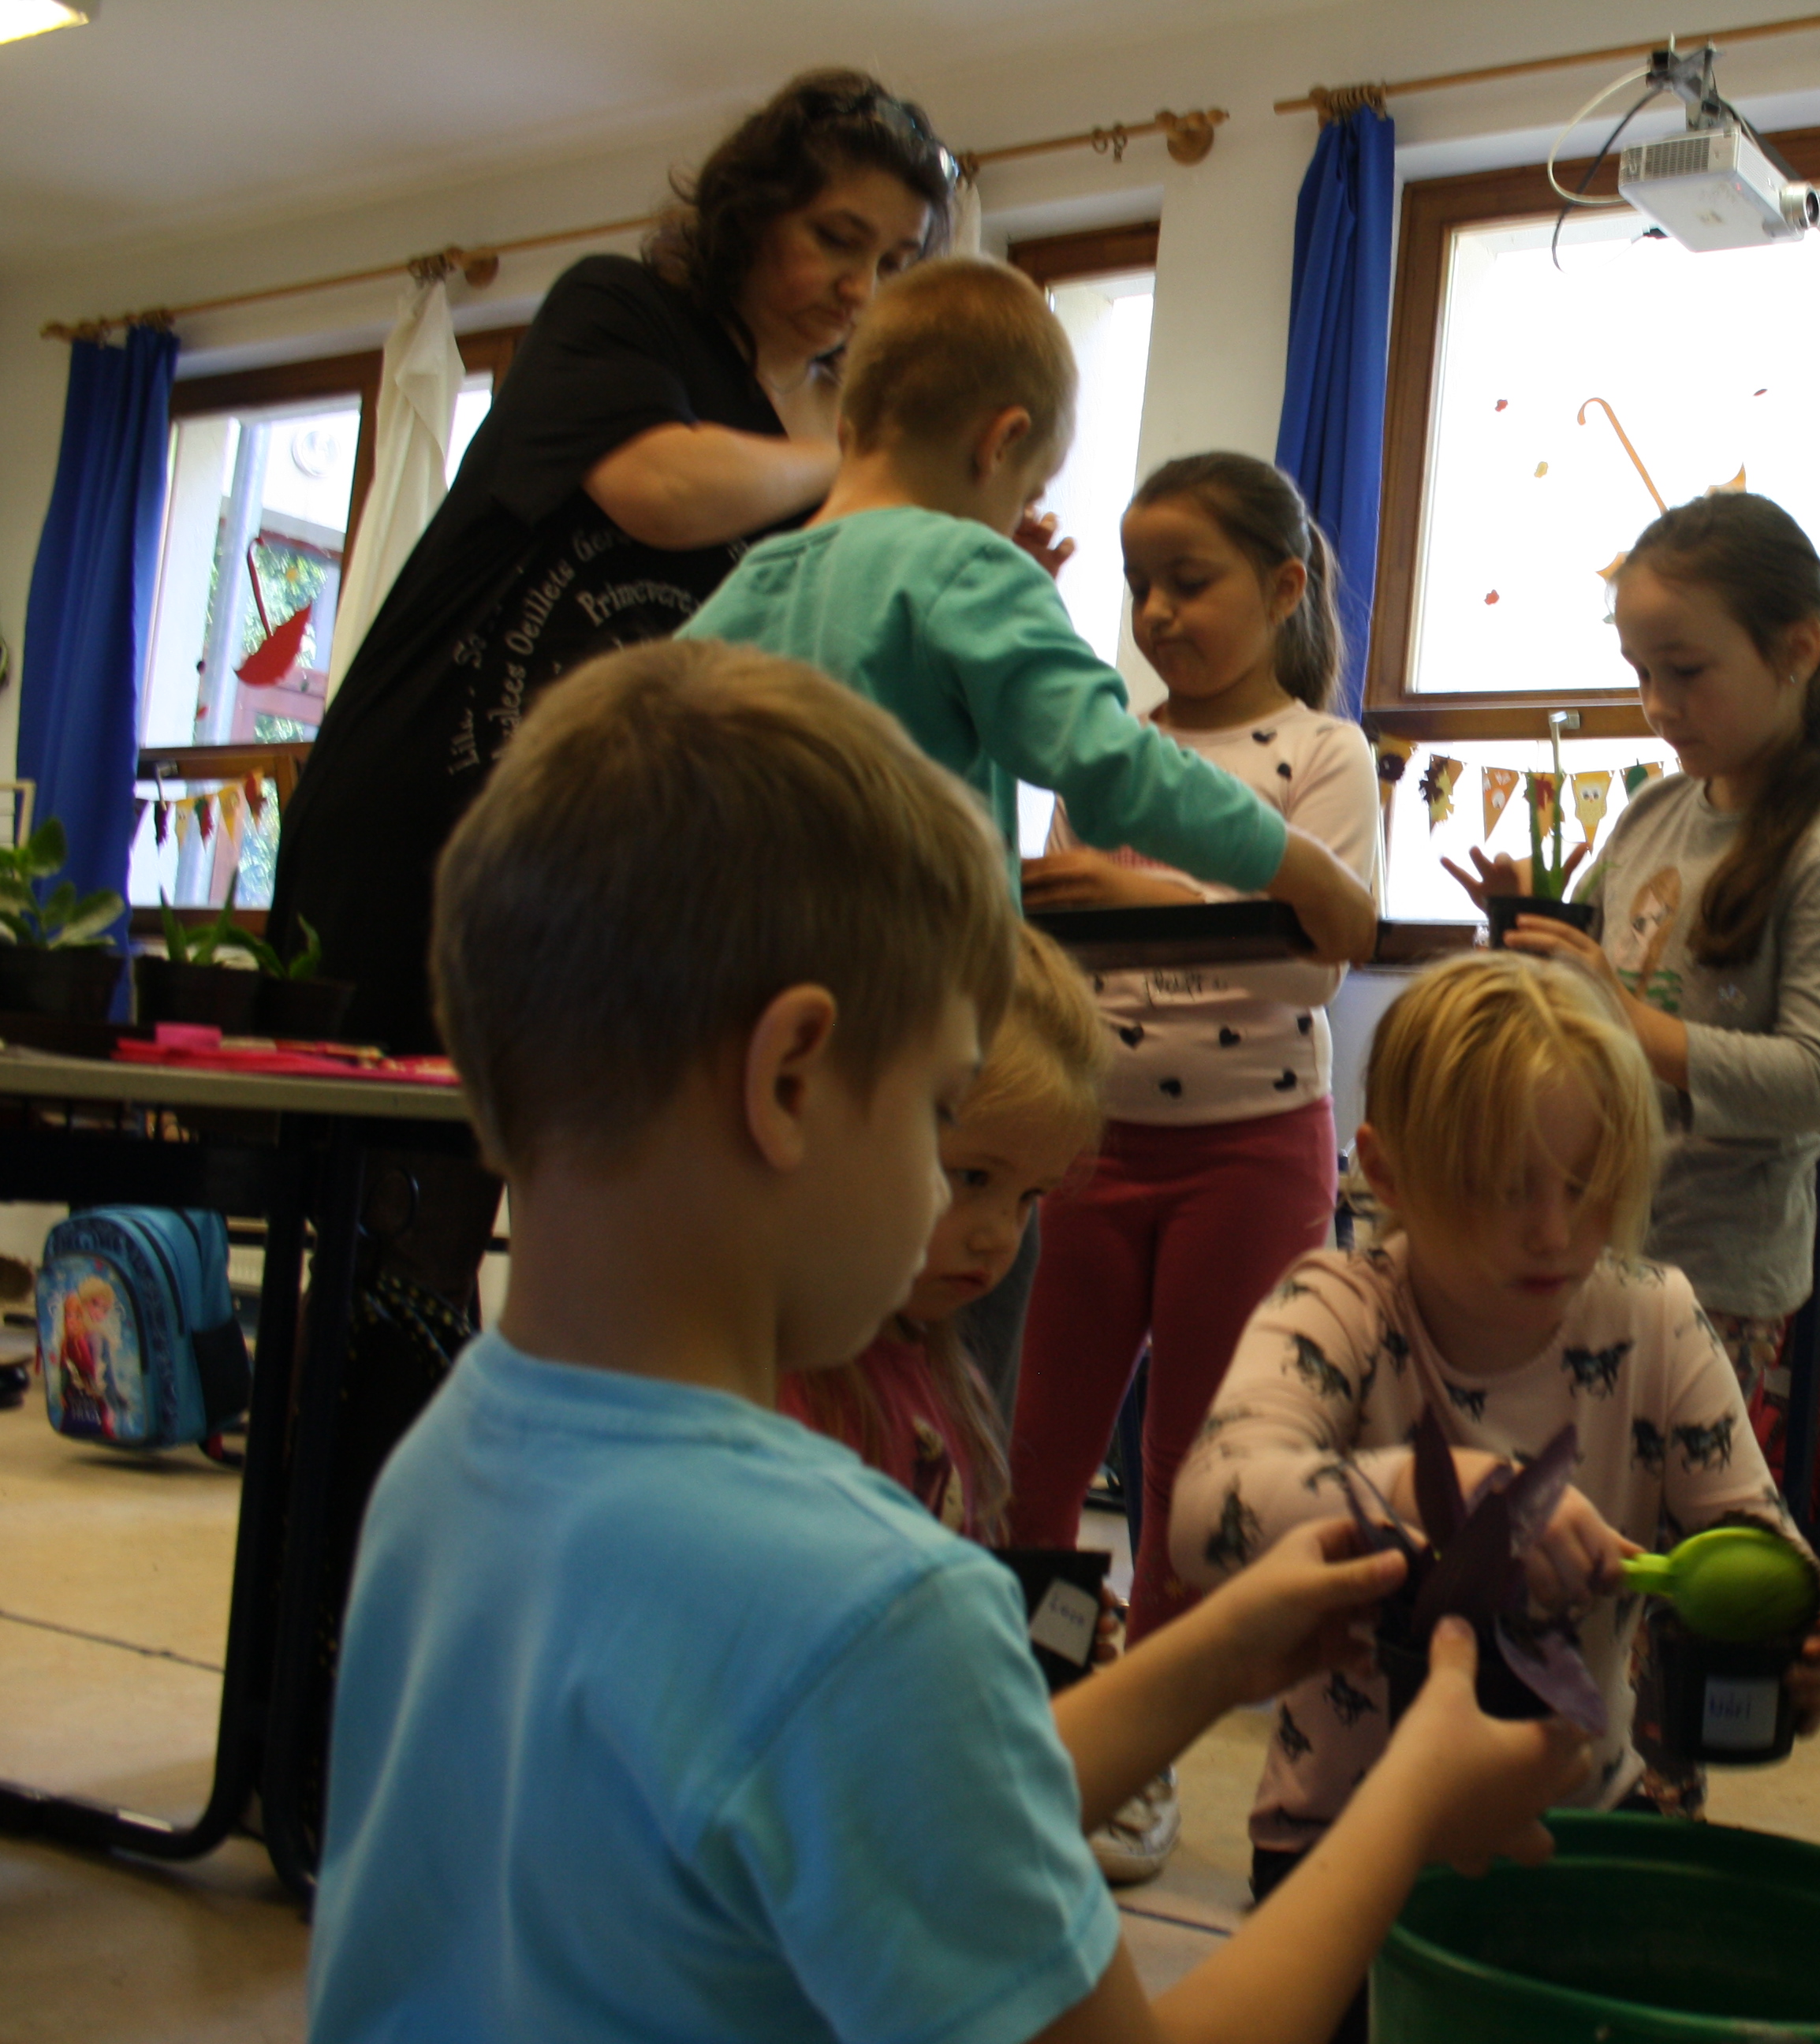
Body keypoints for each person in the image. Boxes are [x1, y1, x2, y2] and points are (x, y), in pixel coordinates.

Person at [307, 636, 1585, 2044]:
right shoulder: (869, 1600)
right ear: (790, 1081)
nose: (958, 1204)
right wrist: (1408, 1807)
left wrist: (1215, 1654)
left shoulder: (444, 1459)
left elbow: (898, 1797)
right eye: (937, 1113)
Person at [1173, 953, 1820, 1992]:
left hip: (1581, 1823)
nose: (1555, 1231)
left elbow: (1758, 1539)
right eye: (1502, 1189)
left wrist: (1806, 1621)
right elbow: (1206, 1516)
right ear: (1387, 1174)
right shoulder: (1337, 1308)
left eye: (1590, 1187)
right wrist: (1434, 1488)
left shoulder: (1655, 1316)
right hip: (1348, 1841)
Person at [276, 69, 958, 1065]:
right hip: (413, 819)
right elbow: (660, 487)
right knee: (361, 1144)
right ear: (752, 214)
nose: (862, 289)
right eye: (835, 239)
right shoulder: (618, 310)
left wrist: (957, 543)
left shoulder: (839, 423)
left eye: (895, 262)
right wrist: (869, 469)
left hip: (591, 869)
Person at [1449, 488, 1820, 1816]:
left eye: (1686, 670)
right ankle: (1533, 1796)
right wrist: (1534, 935)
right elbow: (1598, 1010)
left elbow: (1812, 1081)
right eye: (1639, 670)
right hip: (1595, 1247)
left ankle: (1656, 1827)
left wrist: (1623, 1014)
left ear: (1797, 650)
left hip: (1715, 1281)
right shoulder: (1655, 812)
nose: (1657, 702)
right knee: (1565, 1555)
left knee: (1680, 1596)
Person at [998, 453, 1379, 1880]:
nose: (1155, 612)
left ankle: (1137, 1756)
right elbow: (1062, 947)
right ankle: (1040, 1715)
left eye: (1188, 580)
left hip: (1253, 1153)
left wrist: (1137, 893)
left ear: (1281, 589)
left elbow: (1308, 965)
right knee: (1039, 1451)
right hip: (1089, 1145)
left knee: (1190, 1469)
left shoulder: (1323, 754)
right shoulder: (1110, 749)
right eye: (1136, 584)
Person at [675, 259, 1376, 964]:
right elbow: (1113, 767)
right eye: (1030, 491)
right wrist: (1308, 873)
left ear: (848, 427)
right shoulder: (967, 568)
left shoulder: (750, 583)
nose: (1018, 521)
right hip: (908, 994)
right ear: (1001, 442)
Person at [780, 922, 1104, 1542]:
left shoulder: (948, 1378)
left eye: (1029, 1197)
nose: (998, 1236)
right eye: (973, 1178)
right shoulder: (793, 1400)